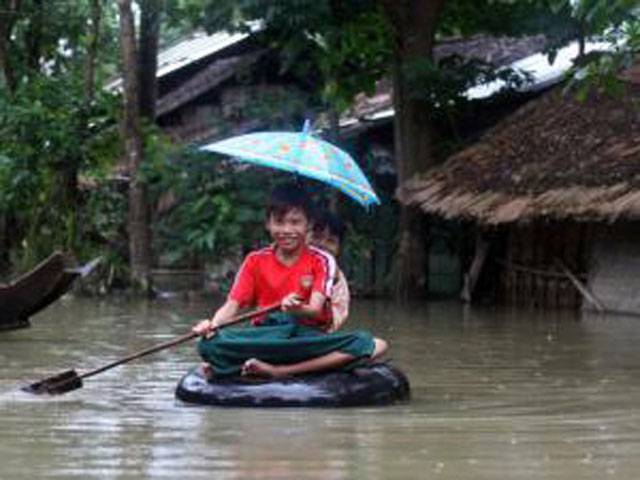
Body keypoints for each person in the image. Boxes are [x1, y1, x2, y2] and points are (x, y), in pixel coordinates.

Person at [192, 183, 387, 378]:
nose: (287, 230)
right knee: (208, 345)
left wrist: (295, 309)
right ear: (268, 223)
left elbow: (315, 309)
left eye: (295, 222)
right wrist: (212, 326)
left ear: (308, 225)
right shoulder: (255, 260)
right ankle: (252, 364)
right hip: (267, 336)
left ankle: (280, 370)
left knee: (369, 343)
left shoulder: (322, 260)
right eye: (279, 222)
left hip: (305, 338)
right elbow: (232, 306)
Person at [308, 210, 350, 333]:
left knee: (376, 344)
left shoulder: (334, 274)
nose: (322, 245)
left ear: (339, 249)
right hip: (280, 329)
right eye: (317, 237)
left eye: (331, 241)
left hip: (316, 335)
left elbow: (334, 322)